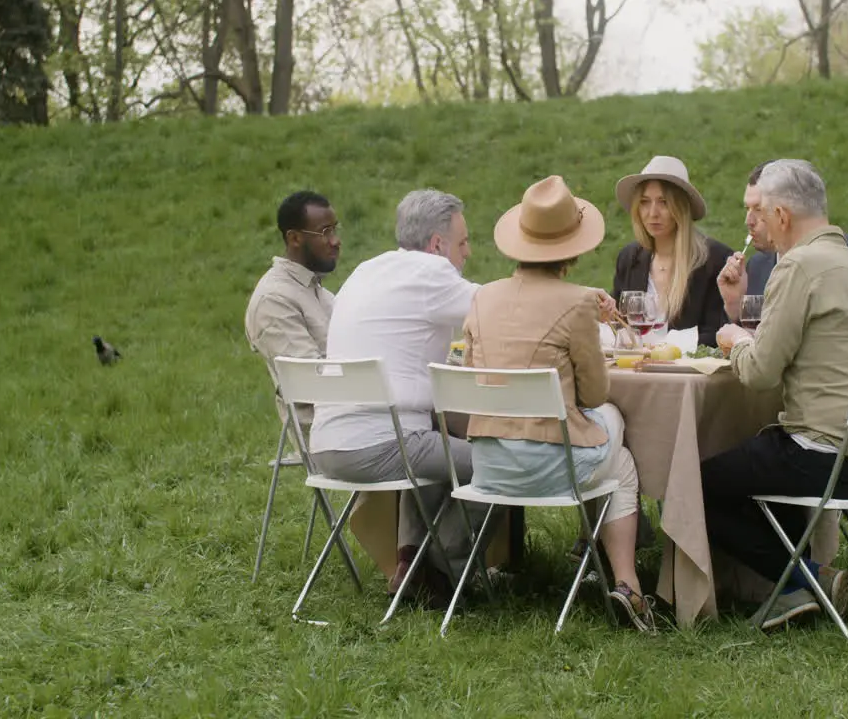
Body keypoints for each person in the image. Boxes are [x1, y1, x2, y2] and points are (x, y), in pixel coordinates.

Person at [705, 160, 848, 632]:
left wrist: (734, 339)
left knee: (695, 486)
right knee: (758, 458)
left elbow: (757, 373)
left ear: (781, 216)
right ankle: (793, 589)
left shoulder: (798, 266)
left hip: (827, 458)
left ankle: (809, 579)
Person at [464, 176, 655, 632]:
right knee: (620, 453)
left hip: (485, 465)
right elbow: (593, 395)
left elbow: (473, 377)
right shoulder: (578, 304)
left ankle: (592, 555)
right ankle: (627, 584)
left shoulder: (482, 296)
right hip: (551, 469)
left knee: (605, 444)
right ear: (572, 247)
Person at [307, 189, 487, 604]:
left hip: (327, 445)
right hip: (380, 447)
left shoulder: (367, 270)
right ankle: (441, 574)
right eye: (462, 243)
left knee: (429, 433)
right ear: (437, 245)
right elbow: (502, 309)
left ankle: (410, 563)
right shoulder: (431, 273)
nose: (468, 253)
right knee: (502, 464)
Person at [724, 161, 848, 320]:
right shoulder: (757, 266)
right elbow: (756, 337)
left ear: (782, 213)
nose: (749, 221)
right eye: (747, 209)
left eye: (759, 209)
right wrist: (736, 308)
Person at [612, 156, 734, 348]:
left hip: (690, 375)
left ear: (681, 207)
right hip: (636, 372)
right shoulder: (629, 258)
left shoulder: (715, 260)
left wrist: (665, 348)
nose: (653, 213)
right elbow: (619, 326)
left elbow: (717, 335)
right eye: (644, 202)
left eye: (664, 202)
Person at [244, 190, 340, 432]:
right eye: (325, 232)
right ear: (295, 238)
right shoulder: (274, 300)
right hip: (327, 435)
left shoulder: (318, 291)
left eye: (335, 230)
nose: (335, 241)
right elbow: (311, 382)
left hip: (363, 420)